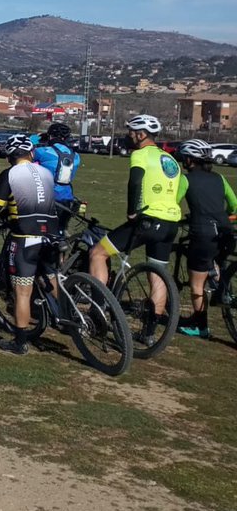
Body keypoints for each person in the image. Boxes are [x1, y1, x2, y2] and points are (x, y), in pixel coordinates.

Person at [88, 115, 182, 343]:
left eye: (131, 132)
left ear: (141, 135)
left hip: (148, 219)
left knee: (98, 253)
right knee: (157, 276)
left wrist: (132, 210)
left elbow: (135, 182)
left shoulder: (140, 154)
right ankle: (149, 333)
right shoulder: (170, 159)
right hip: (171, 222)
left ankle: (97, 312)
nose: (128, 136)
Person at [0, 135, 58, 355]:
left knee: (23, 291)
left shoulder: (10, 174)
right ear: (32, 153)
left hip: (25, 237)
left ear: (9, 157)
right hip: (52, 234)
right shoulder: (45, 173)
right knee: (52, 279)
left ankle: (20, 341)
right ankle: (64, 317)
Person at [175, 139, 237, 338]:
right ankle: (221, 288)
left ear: (190, 160)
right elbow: (235, 205)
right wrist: (222, 216)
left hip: (203, 234)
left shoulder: (186, 179)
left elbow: (173, 203)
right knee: (216, 262)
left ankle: (200, 326)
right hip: (225, 232)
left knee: (196, 283)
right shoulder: (219, 178)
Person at [33, 122, 81, 231]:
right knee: (60, 229)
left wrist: (37, 138)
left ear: (50, 136)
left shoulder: (43, 152)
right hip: (67, 196)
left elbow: (26, 150)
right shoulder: (76, 156)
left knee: (42, 230)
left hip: (46, 195)